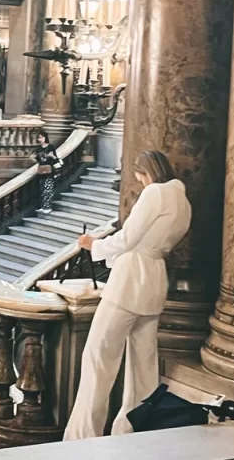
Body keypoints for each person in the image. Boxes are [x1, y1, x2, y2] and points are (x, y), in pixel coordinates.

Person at [64, 150, 192, 441]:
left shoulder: (155, 193)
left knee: (99, 357)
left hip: (129, 282)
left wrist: (93, 245)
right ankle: (135, 431)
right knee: (144, 364)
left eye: (137, 176)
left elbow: (128, 238)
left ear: (144, 172)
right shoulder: (183, 201)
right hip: (155, 281)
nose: (138, 182)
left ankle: (83, 436)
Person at [34, 130, 62, 213]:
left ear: (45, 138)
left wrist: (52, 156)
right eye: (39, 138)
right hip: (41, 169)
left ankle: (48, 207)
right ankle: (43, 206)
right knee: (42, 189)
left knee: (48, 190)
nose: (40, 139)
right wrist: (33, 158)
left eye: (41, 137)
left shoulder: (50, 147)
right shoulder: (38, 149)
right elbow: (38, 160)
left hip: (49, 171)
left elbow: (55, 159)